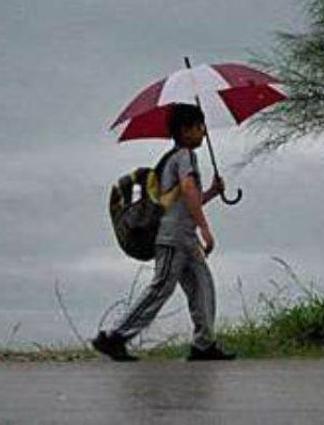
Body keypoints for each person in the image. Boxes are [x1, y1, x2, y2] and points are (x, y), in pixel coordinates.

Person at [92, 103, 236, 361]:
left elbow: (185, 201)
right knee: (160, 288)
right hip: (172, 238)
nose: (204, 132)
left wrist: (213, 192)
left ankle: (204, 344)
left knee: (203, 285)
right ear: (185, 130)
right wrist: (205, 228)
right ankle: (115, 337)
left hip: (185, 239)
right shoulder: (185, 156)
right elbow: (189, 189)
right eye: (199, 126)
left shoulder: (175, 159)